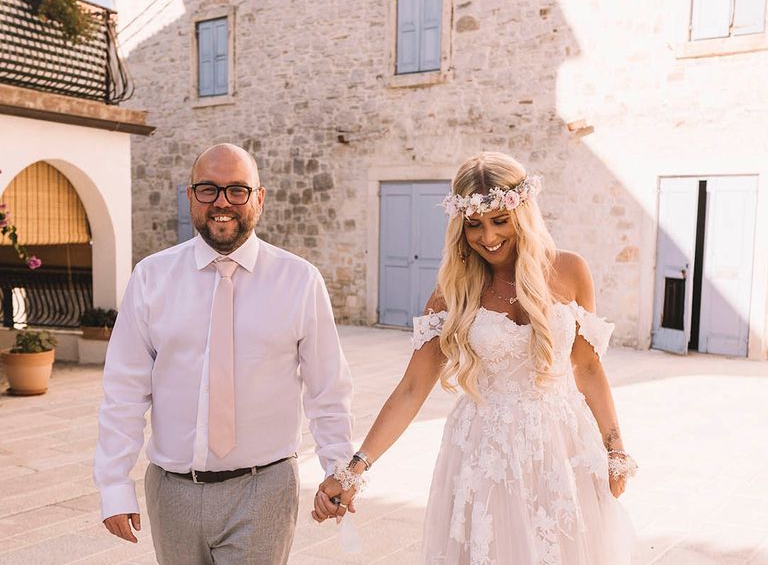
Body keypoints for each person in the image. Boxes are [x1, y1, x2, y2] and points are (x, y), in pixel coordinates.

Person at [313, 152, 636, 564]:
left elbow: (588, 368)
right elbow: (412, 389)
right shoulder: (452, 291)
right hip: (487, 453)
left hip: (564, 445)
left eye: (500, 220)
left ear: (523, 213)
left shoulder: (570, 270)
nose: (488, 237)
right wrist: (354, 469)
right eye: (474, 225)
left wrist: (616, 447)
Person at [94, 143, 354, 564]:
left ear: (260, 198)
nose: (222, 203)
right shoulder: (151, 277)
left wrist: (337, 468)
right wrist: (112, 484)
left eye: (237, 190)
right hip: (171, 490)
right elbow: (124, 388)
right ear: (190, 196)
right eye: (208, 189)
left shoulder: (300, 280)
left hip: (263, 490)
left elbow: (328, 387)